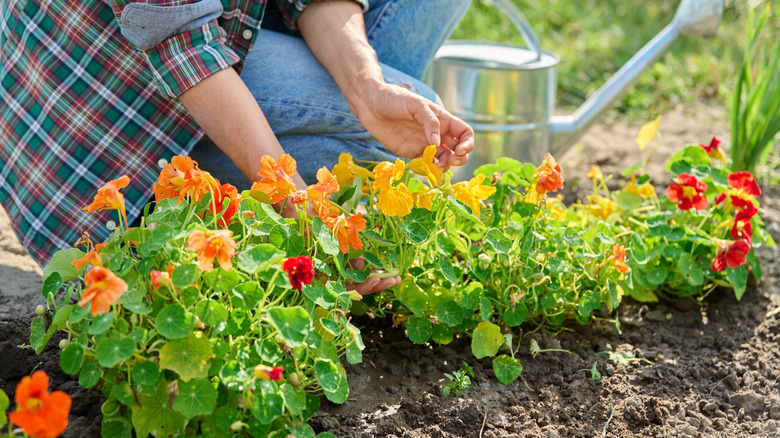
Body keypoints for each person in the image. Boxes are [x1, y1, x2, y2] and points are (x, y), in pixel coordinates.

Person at [0, 0, 474, 289]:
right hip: (108, 96)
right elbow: (182, 41)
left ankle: (319, 207)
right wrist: (295, 205)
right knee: (385, 150)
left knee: (385, 126)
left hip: (226, 27)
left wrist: (370, 90)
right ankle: (217, 220)